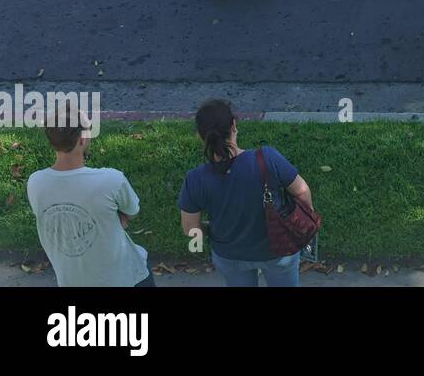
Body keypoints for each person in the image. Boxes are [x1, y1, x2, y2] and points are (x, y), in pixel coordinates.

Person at [178, 99, 313, 287]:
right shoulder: (267, 158)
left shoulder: (194, 179)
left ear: (201, 136)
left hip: (229, 256)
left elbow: (190, 229)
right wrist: (303, 224)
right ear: (234, 125)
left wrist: (210, 228)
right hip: (279, 250)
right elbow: (302, 192)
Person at [26, 110, 154, 287]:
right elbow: (132, 212)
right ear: (82, 139)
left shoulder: (35, 182)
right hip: (128, 279)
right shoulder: (111, 180)